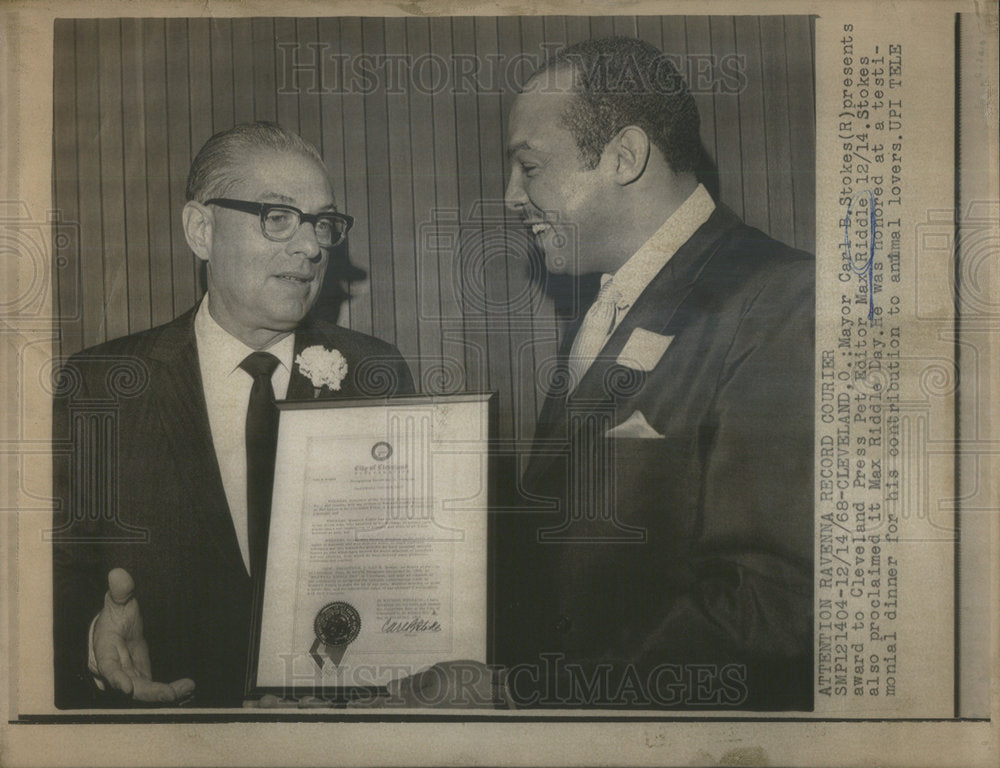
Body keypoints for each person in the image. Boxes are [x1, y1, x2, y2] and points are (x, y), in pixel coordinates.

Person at [490, 36, 814, 709]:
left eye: (528, 168)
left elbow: (764, 607)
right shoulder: (600, 309)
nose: (509, 197)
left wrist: (524, 694)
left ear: (624, 156)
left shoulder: (781, 297)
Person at [52, 122, 414, 708]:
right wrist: (93, 635)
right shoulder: (100, 387)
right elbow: (52, 572)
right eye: (278, 217)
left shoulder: (377, 372)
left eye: (322, 223)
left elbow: (407, 569)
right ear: (202, 229)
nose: (312, 246)